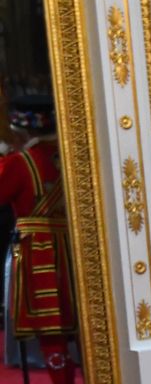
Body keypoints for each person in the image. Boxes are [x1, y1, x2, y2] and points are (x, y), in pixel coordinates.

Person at [0, 91, 77, 384]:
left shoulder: (21, 162)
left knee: (51, 327)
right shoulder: (69, 155)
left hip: (39, 252)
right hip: (71, 247)